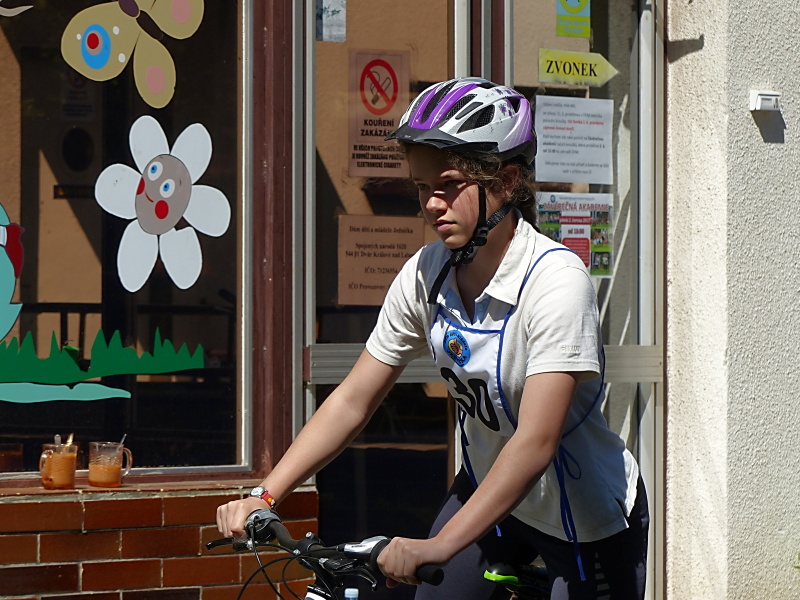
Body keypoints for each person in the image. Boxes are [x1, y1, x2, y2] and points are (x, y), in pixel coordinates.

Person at [216, 77, 648, 600]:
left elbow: (536, 441)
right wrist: (265, 495)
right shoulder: (428, 272)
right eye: (422, 187)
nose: (431, 204)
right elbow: (353, 399)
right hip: (487, 493)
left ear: (507, 180)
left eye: (448, 184)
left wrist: (439, 545)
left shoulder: (556, 281)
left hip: (582, 515)